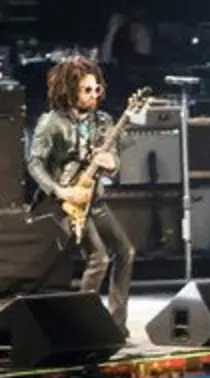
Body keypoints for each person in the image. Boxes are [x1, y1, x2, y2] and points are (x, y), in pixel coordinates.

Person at [27, 57, 136, 335]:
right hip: (65, 201)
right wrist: (60, 190)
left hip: (93, 198)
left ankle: (115, 325)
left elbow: (114, 160)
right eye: (87, 90)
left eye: (96, 89)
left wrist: (113, 164)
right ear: (70, 90)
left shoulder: (104, 121)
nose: (94, 95)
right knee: (98, 258)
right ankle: (79, 324)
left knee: (125, 251)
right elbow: (35, 163)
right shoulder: (51, 123)